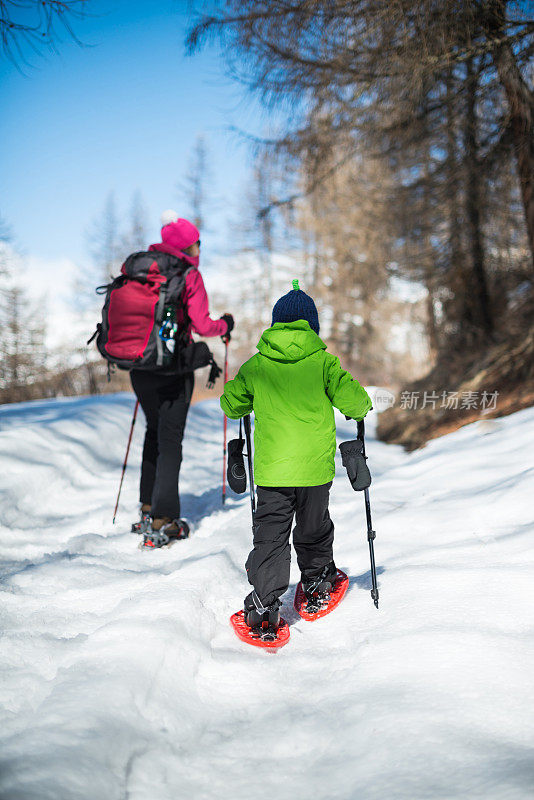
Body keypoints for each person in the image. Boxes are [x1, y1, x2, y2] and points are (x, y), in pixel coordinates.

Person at [220, 279, 372, 634]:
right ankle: (318, 583)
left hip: (272, 473)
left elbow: (231, 404)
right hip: (315, 471)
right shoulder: (324, 363)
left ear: (275, 324)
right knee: (314, 528)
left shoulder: (257, 366)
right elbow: (358, 404)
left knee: (270, 536)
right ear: (312, 326)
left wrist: (242, 391)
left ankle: (264, 607)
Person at [131, 211, 234, 546]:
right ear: (187, 247)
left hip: (139, 367)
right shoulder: (188, 274)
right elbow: (203, 325)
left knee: (153, 433)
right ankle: (165, 520)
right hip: (173, 369)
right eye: (195, 244)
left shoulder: (141, 270)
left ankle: (147, 508)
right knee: (170, 439)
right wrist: (225, 326)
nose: (197, 249)